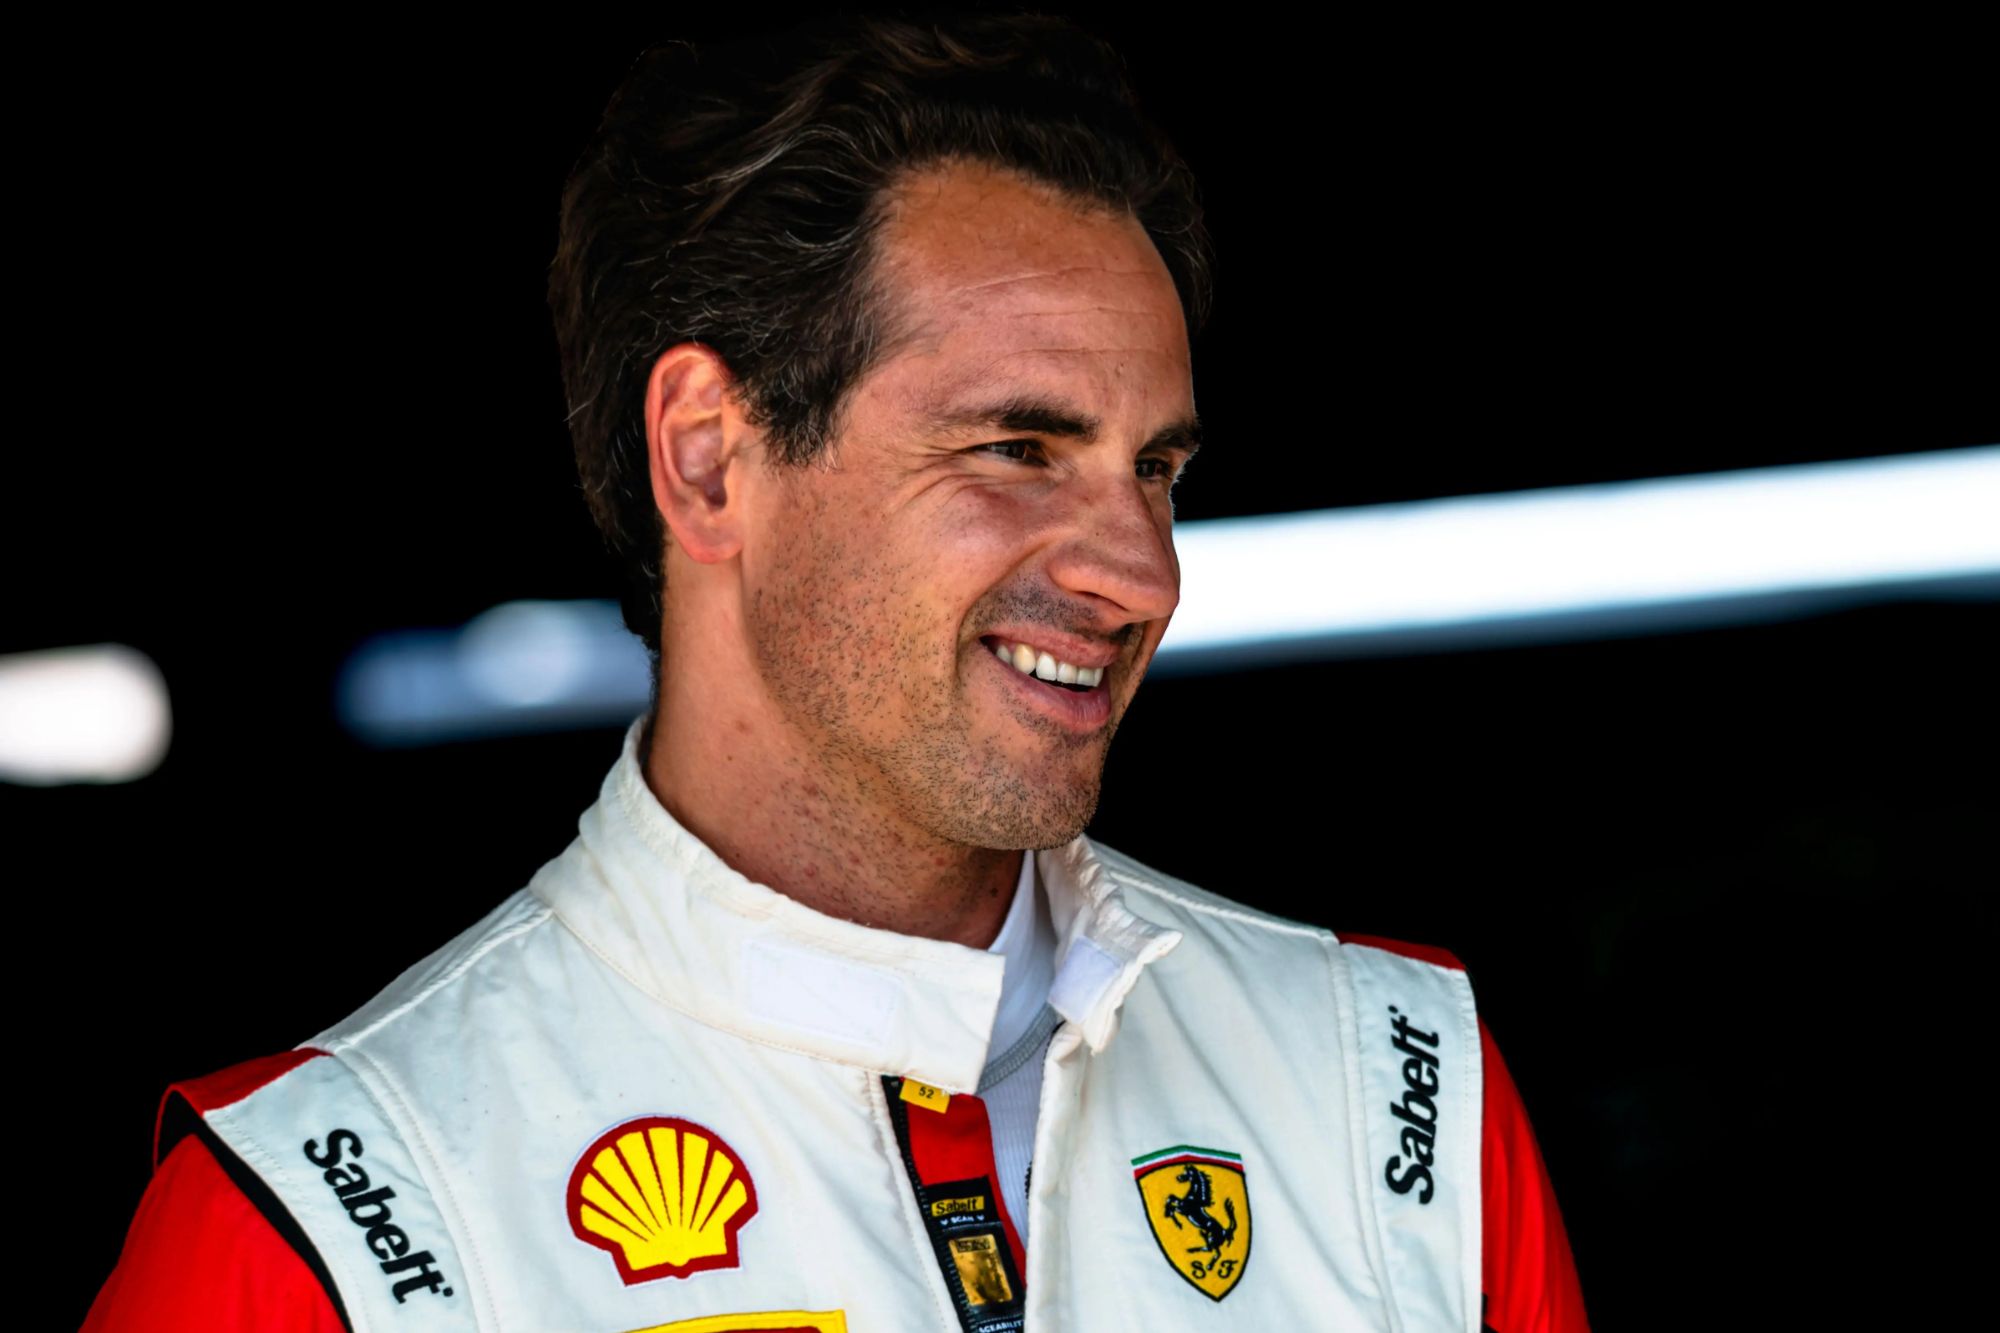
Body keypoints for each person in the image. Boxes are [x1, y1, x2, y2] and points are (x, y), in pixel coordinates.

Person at [86, 13, 1586, 1331]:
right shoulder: (332, 1223)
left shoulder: (1397, 1091)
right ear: (709, 459)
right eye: (1017, 448)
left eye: (1156, 469)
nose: (1142, 573)